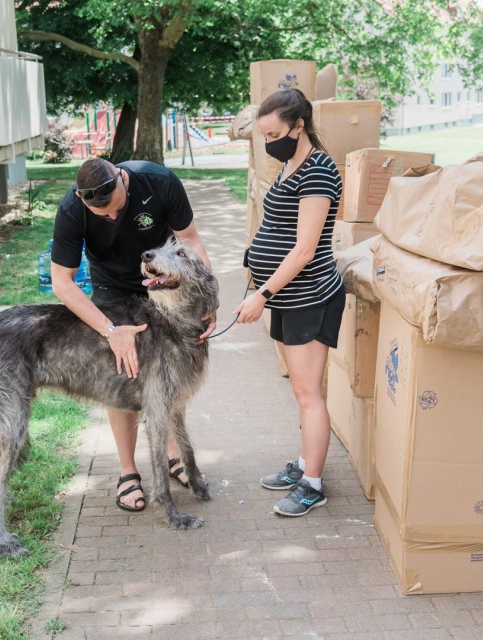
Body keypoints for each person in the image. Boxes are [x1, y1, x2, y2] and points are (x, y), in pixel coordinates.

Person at [50, 158, 215, 512]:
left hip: (164, 278)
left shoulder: (159, 182)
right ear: (81, 200)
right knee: (125, 373)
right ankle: (128, 473)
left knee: (172, 377)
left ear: (123, 180)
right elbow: (62, 283)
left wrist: (206, 302)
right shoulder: (71, 209)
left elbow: (191, 241)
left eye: (115, 209)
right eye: (101, 214)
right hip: (112, 290)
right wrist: (110, 331)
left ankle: (173, 457)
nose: (110, 219)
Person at [233, 89, 345, 517]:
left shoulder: (317, 171)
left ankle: (313, 484)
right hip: (289, 297)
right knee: (301, 392)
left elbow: (303, 250)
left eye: (275, 133)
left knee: (307, 394)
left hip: (309, 298)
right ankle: (303, 465)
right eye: (264, 135)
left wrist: (263, 295)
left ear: (299, 126)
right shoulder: (290, 162)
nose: (269, 142)